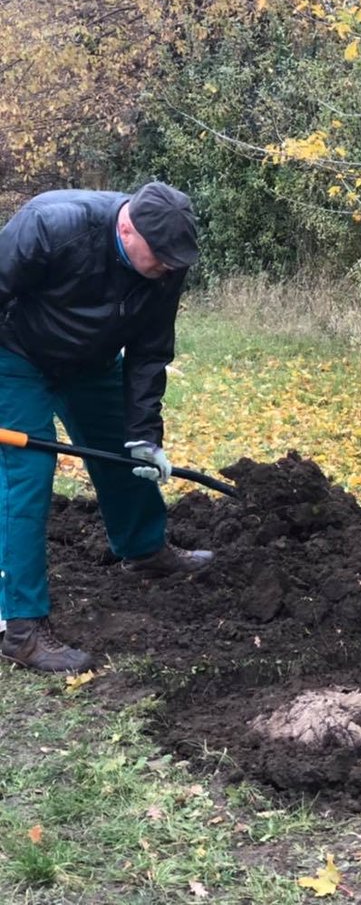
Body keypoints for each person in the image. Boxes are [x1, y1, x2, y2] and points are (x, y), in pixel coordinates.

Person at [0, 183, 214, 674]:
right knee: (26, 474)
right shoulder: (52, 227)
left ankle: (144, 550)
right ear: (127, 228)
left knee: (126, 453)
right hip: (16, 355)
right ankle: (22, 629)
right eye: (159, 256)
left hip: (93, 363)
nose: (167, 267)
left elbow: (150, 350)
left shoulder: (166, 265)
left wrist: (145, 434)